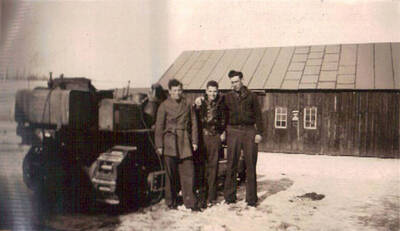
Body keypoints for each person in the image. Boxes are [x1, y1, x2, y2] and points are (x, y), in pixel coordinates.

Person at [154, 78, 200, 211]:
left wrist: (195, 141)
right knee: (170, 175)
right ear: (169, 91)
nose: (177, 93)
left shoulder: (187, 104)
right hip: (169, 142)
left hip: (184, 141)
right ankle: (170, 202)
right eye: (174, 91)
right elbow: (159, 126)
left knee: (188, 173)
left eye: (180, 90)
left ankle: (190, 202)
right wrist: (159, 145)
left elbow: (194, 123)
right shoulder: (164, 105)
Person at [223, 70, 263, 207]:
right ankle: (229, 197)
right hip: (233, 131)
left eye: (236, 81)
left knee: (250, 164)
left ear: (242, 80)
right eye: (232, 82)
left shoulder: (251, 96)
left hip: (249, 131)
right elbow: (220, 111)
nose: (234, 84)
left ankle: (251, 199)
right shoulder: (227, 97)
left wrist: (259, 133)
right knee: (231, 164)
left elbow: (259, 115)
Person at [193, 80, 227, 208]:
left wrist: (221, 132)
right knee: (202, 167)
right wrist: (195, 103)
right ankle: (202, 195)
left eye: (215, 91)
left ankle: (212, 196)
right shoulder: (200, 103)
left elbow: (224, 119)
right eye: (210, 91)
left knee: (214, 168)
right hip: (202, 138)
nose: (212, 93)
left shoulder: (221, 103)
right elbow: (194, 117)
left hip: (215, 138)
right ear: (206, 91)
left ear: (217, 91)